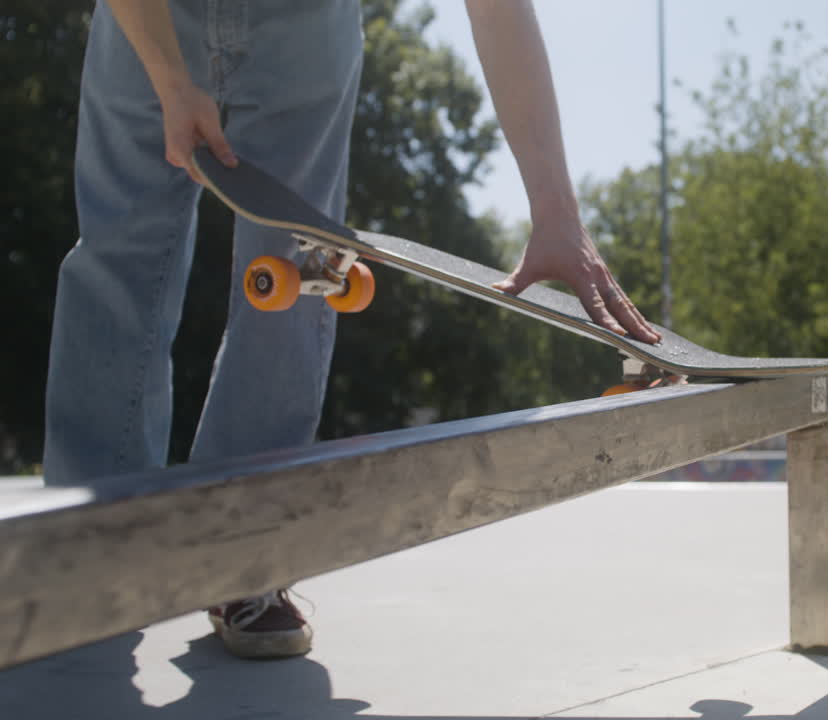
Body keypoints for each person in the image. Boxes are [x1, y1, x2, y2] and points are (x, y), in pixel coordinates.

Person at [44, 0, 658, 659]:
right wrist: (170, 77)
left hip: (307, 30)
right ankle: (88, 545)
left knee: (300, 273)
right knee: (120, 259)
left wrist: (556, 210)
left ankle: (246, 550)